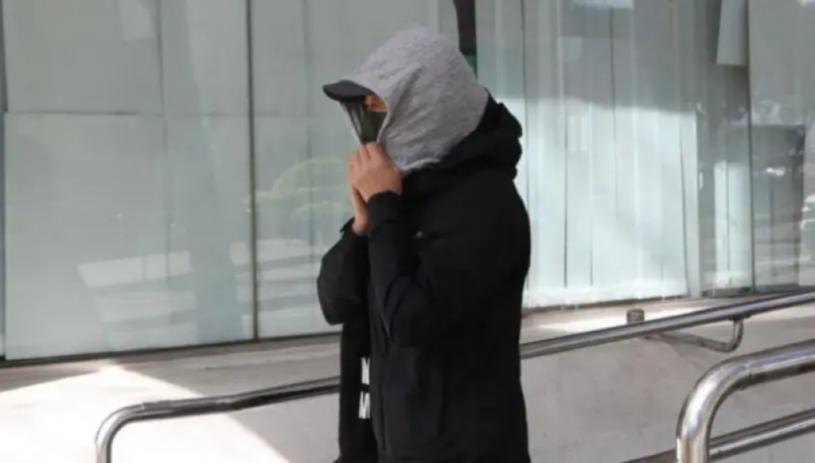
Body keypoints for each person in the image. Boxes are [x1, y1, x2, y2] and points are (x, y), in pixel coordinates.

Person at [317, 25, 531, 463]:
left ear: (425, 109)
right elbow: (335, 301)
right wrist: (363, 225)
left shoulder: (487, 206)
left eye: (381, 110)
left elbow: (410, 319)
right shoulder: (401, 194)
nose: (371, 130)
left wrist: (384, 210)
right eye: (365, 111)